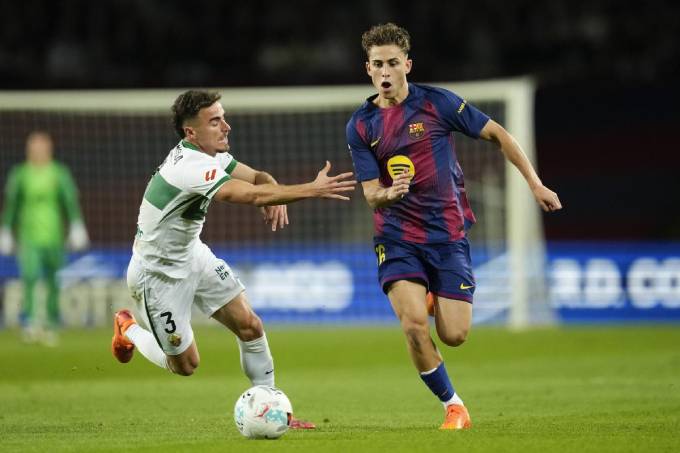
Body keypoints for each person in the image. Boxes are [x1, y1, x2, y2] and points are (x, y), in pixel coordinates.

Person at [346, 23, 562, 430]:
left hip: (447, 235)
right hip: (396, 236)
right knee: (413, 327)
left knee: (455, 335)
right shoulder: (361, 125)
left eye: (393, 63)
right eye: (378, 64)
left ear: (407, 65)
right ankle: (454, 406)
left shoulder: (437, 103)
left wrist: (535, 184)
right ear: (368, 69)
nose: (386, 71)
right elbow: (371, 194)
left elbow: (498, 134)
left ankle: (430, 296)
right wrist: (391, 194)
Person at [111, 89, 355, 429]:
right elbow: (248, 194)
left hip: (192, 255)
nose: (226, 127)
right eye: (215, 121)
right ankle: (128, 329)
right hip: (157, 275)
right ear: (191, 132)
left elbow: (257, 179)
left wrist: (272, 190)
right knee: (185, 365)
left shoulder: (212, 156)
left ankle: (272, 407)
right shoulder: (189, 167)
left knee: (250, 325)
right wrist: (311, 189)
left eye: (223, 118)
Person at [0, 131, 90, 346]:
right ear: (28, 150)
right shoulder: (20, 174)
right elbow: (12, 205)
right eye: (34, 147)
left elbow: (69, 201)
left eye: (42, 147)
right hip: (29, 236)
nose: (38, 151)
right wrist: (6, 230)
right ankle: (31, 322)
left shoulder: (59, 173)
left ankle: (51, 322)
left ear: (49, 149)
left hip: (54, 236)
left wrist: (77, 225)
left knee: (53, 279)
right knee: (30, 277)